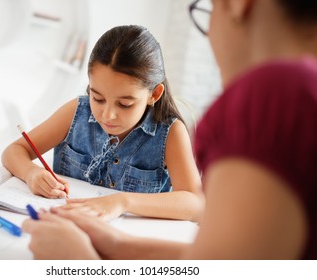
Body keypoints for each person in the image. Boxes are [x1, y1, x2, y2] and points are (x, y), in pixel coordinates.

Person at [22, 0, 317, 259]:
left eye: (209, 8)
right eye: (98, 97)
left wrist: (77, 261)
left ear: (239, 3)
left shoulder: (276, 98)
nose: (108, 112)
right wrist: (116, 245)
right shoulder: (301, 93)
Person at [2, 25, 204, 222]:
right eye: (97, 98)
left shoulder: (171, 133)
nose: (108, 115)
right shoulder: (76, 112)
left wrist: (123, 202)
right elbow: (14, 151)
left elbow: (195, 203)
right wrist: (32, 174)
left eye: (125, 104)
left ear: (154, 94)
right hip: (64, 226)